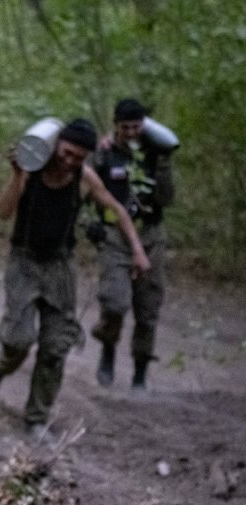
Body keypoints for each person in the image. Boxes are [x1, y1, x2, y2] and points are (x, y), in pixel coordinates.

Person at [0, 119, 151, 436]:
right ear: (57, 144)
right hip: (24, 262)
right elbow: (3, 212)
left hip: (60, 267)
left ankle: (36, 418)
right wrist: (17, 174)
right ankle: (1, 368)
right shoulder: (31, 170)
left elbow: (116, 211)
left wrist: (137, 251)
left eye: (78, 157)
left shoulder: (84, 178)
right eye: (68, 152)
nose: (70, 161)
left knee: (56, 346)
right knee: (18, 338)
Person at [91, 98, 177, 389]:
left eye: (136, 127)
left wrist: (163, 163)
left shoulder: (155, 154)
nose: (130, 132)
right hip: (114, 236)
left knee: (148, 308)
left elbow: (166, 199)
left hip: (150, 234)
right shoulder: (102, 154)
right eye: (125, 127)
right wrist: (89, 225)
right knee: (115, 302)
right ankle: (107, 350)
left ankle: (140, 374)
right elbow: (84, 191)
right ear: (115, 125)